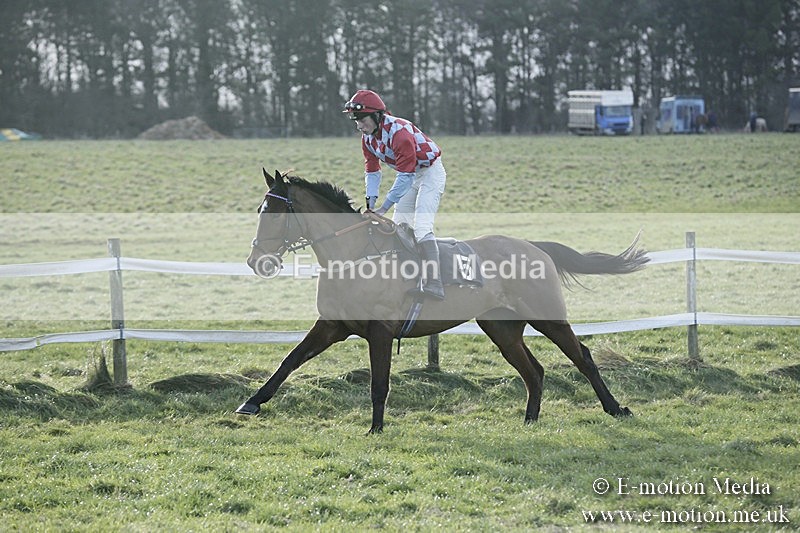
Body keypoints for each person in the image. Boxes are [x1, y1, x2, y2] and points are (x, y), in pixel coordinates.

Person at [343, 89, 447, 300]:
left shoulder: (400, 134)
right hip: (410, 174)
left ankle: (435, 283)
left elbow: (406, 176)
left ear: (376, 115)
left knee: (421, 228)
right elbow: (372, 171)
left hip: (430, 173)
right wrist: (371, 202)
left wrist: (384, 207)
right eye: (356, 121)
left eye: (362, 120)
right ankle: (408, 277)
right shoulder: (368, 139)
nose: (359, 126)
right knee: (400, 226)